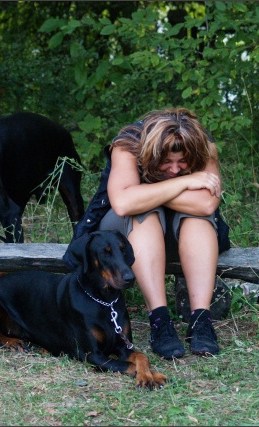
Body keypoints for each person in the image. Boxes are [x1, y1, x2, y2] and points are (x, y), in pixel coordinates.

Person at [63, 107, 230, 358]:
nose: (174, 169)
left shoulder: (203, 145)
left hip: (180, 236)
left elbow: (206, 204)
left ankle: (201, 320)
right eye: (167, 163)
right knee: (145, 214)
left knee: (199, 217)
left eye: (182, 163)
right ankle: (160, 321)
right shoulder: (128, 144)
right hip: (125, 234)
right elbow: (123, 203)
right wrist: (183, 183)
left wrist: (145, 193)